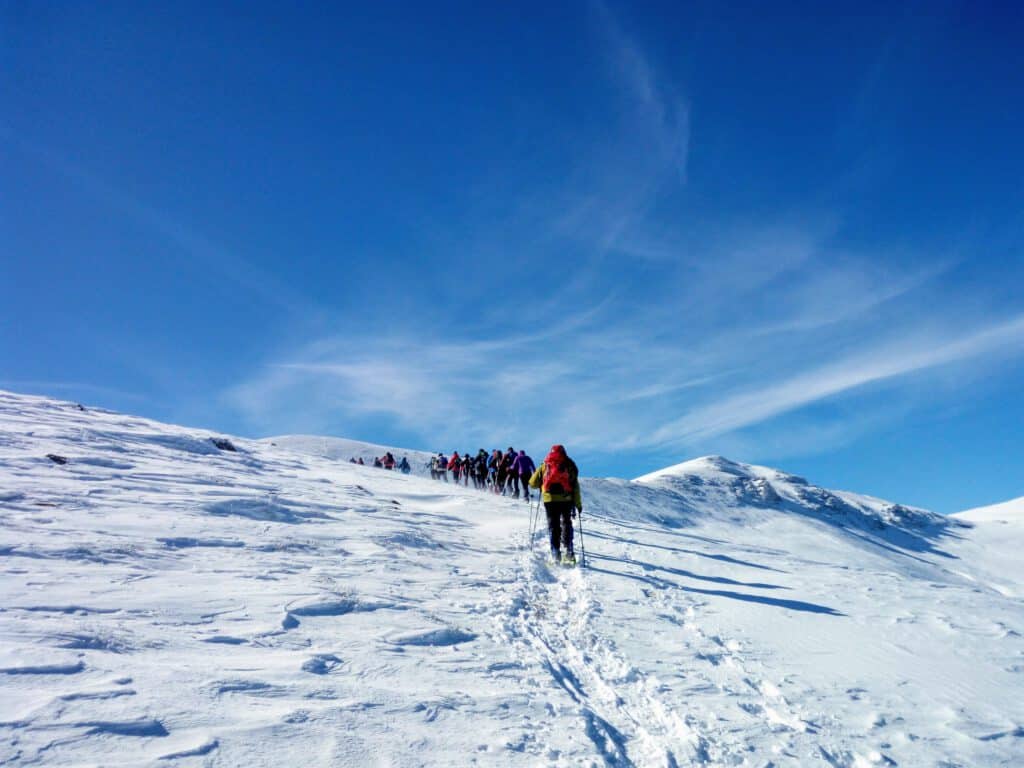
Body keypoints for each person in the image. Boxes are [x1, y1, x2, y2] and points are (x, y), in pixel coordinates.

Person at [529, 444, 582, 565]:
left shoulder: (545, 464)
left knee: (553, 525)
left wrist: (541, 485)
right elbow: (575, 486)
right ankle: (569, 551)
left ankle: (555, 553)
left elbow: (532, 483)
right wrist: (578, 504)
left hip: (550, 500)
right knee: (566, 523)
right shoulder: (569, 464)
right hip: (566, 499)